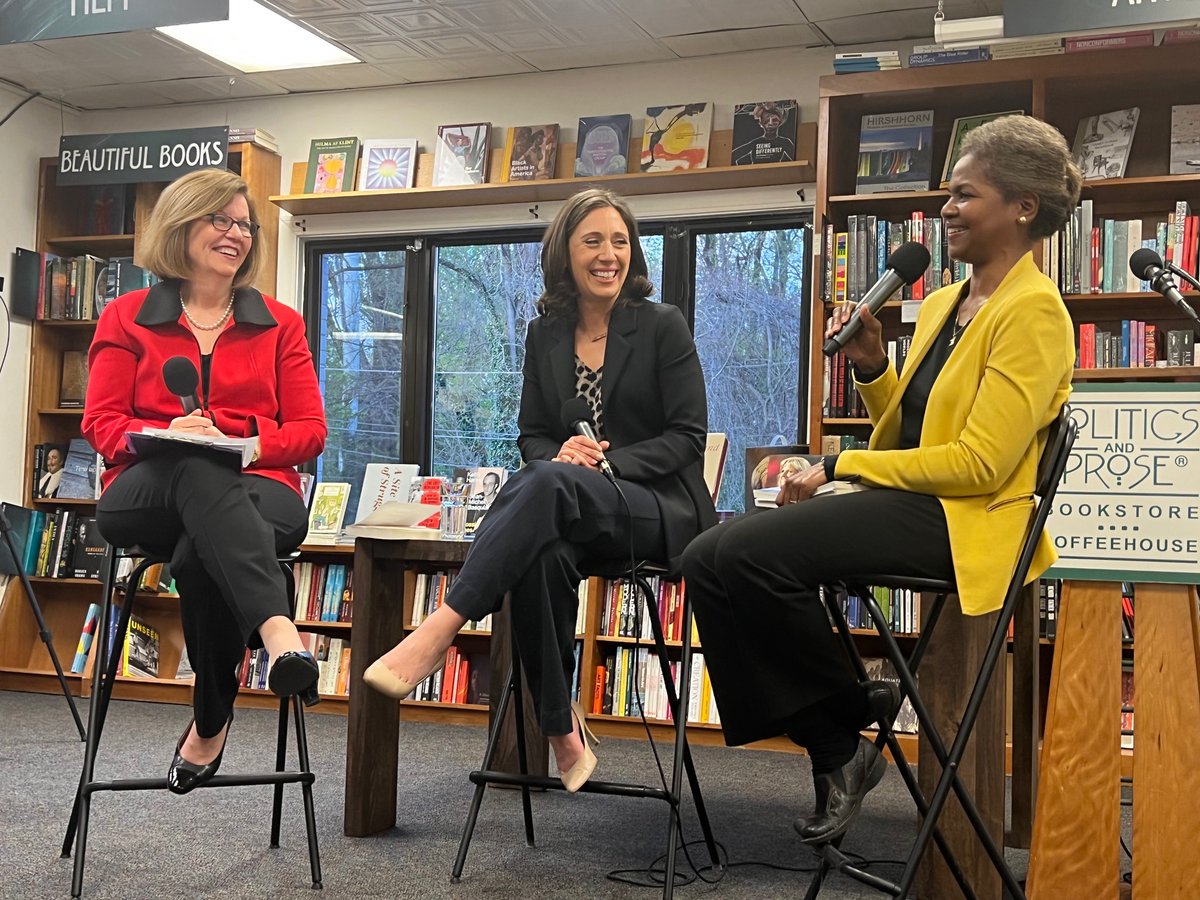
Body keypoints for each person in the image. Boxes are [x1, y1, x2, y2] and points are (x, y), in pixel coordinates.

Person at [683, 115, 1080, 846]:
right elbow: (912, 431)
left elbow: (978, 465)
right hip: (913, 501)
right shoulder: (939, 305)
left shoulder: (1036, 314)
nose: (946, 210)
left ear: (1023, 206)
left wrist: (838, 464)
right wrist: (872, 368)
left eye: (965, 195)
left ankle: (841, 722)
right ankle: (842, 732)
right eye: (947, 195)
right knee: (706, 557)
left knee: (748, 553)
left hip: (967, 519)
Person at [364, 188, 715, 791]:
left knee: (549, 481)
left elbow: (687, 438)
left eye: (620, 241)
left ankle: (440, 628)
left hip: (655, 507)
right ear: (565, 255)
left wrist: (599, 462)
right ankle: (561, 730)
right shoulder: (544, 334)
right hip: (572, 509)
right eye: (593, 241)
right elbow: (531, 435)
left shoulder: (662, 325)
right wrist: (559, 456)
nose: (609, 254)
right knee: (539, 553)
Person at [82, 168, 327, 796]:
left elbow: (309, 431)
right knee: (192, 463)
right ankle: (277, 631)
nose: (236, 233)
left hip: (258, 486)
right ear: (182, 224)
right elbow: (102, 423)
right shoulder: (127, 316)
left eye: (244, 224)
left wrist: (236, 435)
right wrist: (172, 433)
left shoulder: (281, 324)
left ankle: (211, 718)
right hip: (146, 487)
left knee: (202, 551)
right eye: (220, 220)